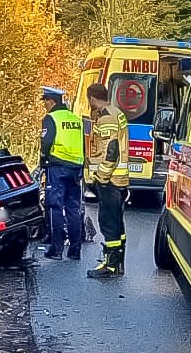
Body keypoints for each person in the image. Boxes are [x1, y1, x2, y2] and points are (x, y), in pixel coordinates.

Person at [83, 83, 129, 278]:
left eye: (89, 100)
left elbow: (111, 151)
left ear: (93, 98)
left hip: (109, 181)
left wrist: (101, 178)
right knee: (117, 223)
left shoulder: (106, 117)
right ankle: (118, 263)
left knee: (108, 222)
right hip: (118, 180)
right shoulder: (116, 112)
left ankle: (110, 266)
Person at [38, 87, 85, 261]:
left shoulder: (51, 118)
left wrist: (43, 161)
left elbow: (46, 142)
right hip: (75, 168)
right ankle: (75, 250)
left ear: (51, 101)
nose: (44, 106)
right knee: (73, 208)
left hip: (57, 167)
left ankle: (56, 249)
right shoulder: (76, 119)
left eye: (45, 102)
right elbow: (83, 144)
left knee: (55, 206)